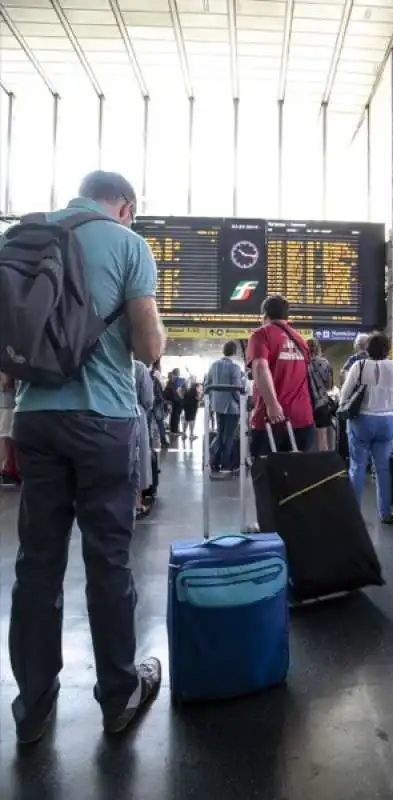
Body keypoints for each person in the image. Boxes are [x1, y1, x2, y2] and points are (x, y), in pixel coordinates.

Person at [6, 170, 165, 744]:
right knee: (108, 559)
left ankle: (33, 707)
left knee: (38, 561)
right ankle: (119, 694)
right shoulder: (129, 245)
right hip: (104, 418)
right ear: (124, 206)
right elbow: (147, 347)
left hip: (35, 417)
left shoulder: (23, 236)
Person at [339, 331, 393, 523]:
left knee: (357, 467)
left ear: (367, 349)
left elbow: (345, 395)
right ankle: (385, 513)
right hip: (387, 421)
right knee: (383, 469)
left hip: (362, 420)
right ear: (387, 349)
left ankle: (353, 513)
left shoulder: (359, 365)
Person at [246, 295, 314, 456]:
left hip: (272, 419)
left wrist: (272, 404)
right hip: (302, 418)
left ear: (265, 315)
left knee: (267, 475)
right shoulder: (300, 340)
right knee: (295, 476)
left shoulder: (261, 334)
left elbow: (261, 366)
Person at [206, 341, 243, 476]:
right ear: (235, 352)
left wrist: (214, 398)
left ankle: (214, 462)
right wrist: (241, 403)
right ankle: (226, 464)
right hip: (231, 407)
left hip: (218, 406)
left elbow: (208, 383)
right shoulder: (235, 367)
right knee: (229, 436)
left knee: (220, 433)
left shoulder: (214, 365)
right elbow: (236, 389)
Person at [134, 360, 155, 521]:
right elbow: (148, 399)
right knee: (138, 458)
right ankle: (137, 504)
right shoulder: (139, 367)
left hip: (102, 414)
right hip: (134, 414)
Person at [307, 338, 333, 451]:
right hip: (322, 403)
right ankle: (324, 465)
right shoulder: (325, 363)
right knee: (322, 438)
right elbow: (330, 386)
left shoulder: (303, 363)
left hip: (306, 404)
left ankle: (307, 465)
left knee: (306, 439)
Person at [150, 359, 169, 449]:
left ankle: (149, 442)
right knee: (160, 422)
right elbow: (162, 386)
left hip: (149, 400)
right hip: (157, 401)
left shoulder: (146, 372)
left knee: (148, 422)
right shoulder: (156, 373)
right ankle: (163, 440)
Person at [182, 377, 202, 442]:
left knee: (186, 419)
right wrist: (200, 395)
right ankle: (191, 435)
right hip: (193, 406)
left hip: (186, 406)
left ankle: (183, 434)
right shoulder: (195, 390)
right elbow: (198, 398)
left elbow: (180, 391)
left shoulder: (188, 388)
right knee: (192, 420)